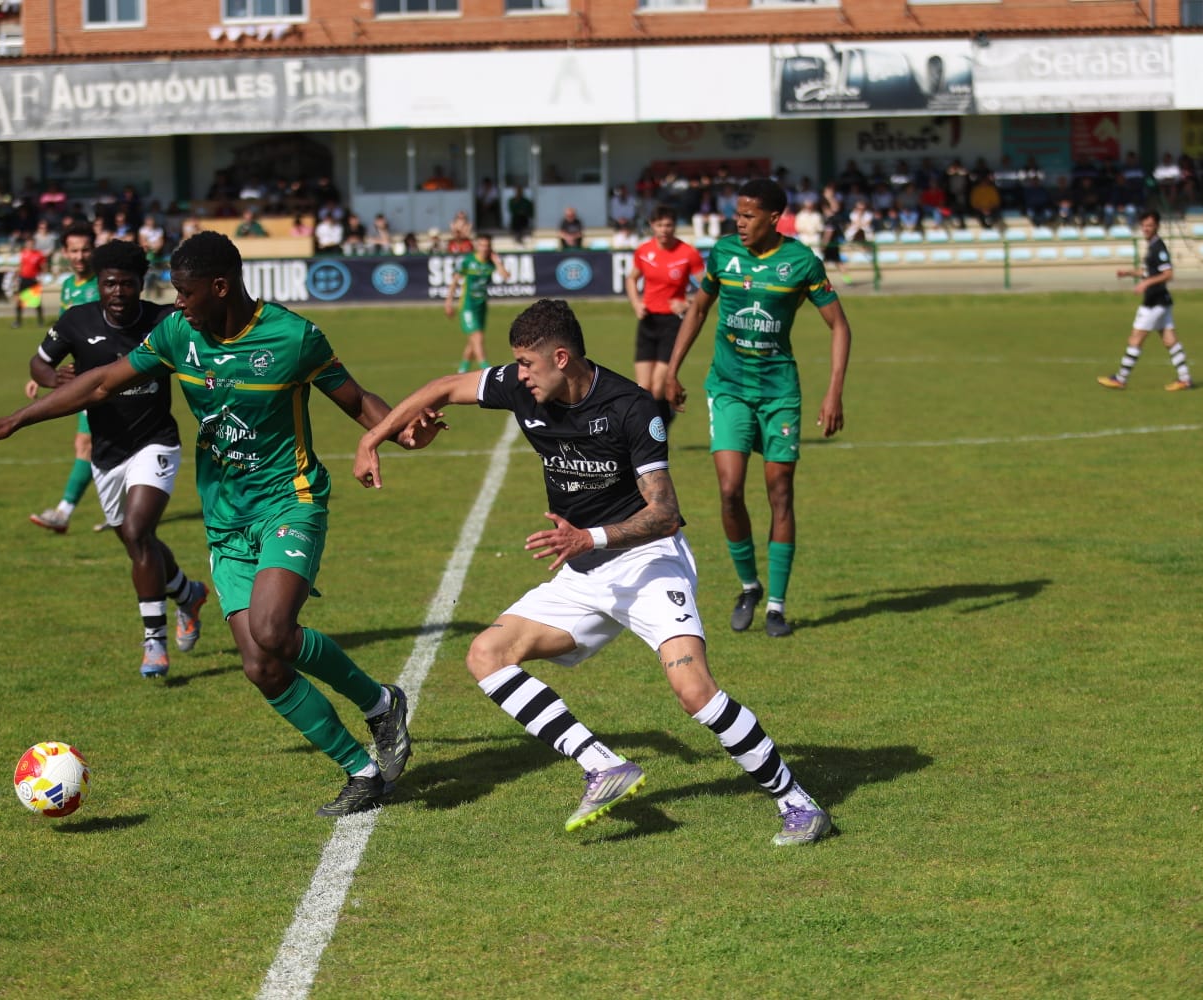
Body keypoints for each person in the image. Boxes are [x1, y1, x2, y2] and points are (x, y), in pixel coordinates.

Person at [0, 231, 425, 815]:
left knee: (273, 630)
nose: (176, 303)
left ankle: (381, 705)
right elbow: (102, 381)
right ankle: (362, 770)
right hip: (225, 519)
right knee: (260, 666)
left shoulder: (293, 337)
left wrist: (399, 431)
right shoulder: (177, 335)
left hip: (290, 500)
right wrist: (16, 419)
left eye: (184, 293)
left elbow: (358, 401)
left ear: (220, 286)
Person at [352, 299, 832, 846]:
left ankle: (798, 803)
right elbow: (441, 387)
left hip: (648, 562)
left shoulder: (631, 408)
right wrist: (373, 438)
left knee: (693, 690)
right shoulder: (519, 384)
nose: (519, 376)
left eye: (528, 365)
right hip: (582, 572)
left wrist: (591, 536)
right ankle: (601, 764)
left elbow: (664, 513)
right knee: (487, 654)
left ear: (562, 357)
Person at [664, 177, 853, 638]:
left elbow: (840, 326)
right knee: (729, 490)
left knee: (780, 492)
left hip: (779, 393)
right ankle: (748, 585)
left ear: (773, 218)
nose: (740, 223)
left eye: (748, 215)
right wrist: (672, 370)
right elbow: (698, 309)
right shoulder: (724, 253)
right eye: (738, 214)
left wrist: (834, 391)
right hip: (727, 387)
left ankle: (776, 606)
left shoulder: (801, 262)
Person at [19, 240, 211, 677]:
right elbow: (39, 362)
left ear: (141, 284)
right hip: (106, 453)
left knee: (140, 531)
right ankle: (188, 593)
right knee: (135, 542)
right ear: (99, 285)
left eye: (127, 283)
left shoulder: (164, 319)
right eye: (110, 284)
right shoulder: (76, 321)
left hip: (156, 442)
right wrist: (52, 379)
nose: (119, 292)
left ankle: (153, 643)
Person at [28, 223, 103, 534]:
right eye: (73, 250)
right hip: (82, 376)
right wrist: (43, 373)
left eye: (85, 249)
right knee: (95, 444)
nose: (80, 256)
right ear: (64, 253)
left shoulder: (103, 285)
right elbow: (63, 335)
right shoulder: (69, 287)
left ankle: (63, 512)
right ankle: (124, 511)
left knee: (86, 443)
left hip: (102, 377)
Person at [626, 205, 705, 427]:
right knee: (643, 388)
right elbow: (632, 278)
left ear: (674, 226)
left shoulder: (688, 253)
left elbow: (708, 286)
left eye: (668, 224)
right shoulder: (643, 251)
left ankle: (658, 431)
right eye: (659, 225)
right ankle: (655, 428)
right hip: (647, 321)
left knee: (658, 387)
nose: (664, 229)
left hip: (672, 324)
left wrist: (687, 303)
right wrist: (636, 303)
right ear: (652, 225)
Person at [1097, 210, 1190, 393]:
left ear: (1157, 226)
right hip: (1161, 301)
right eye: (1144, 225)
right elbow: (1149, 272)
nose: (1146, 229)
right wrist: (1129, 273)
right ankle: (1185, 379)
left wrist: (1146, 282)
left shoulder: (1159, 248)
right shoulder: (1152, 246)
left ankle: (1120, 379)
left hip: (1154, 302)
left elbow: (1168, 274)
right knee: (1169, 340)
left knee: (1136, 337)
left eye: (1150, 225)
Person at [444, 233, 507, 373]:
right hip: (468, 305)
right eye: (482, 245)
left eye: (487, 245)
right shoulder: (468, 261)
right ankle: (485, 369)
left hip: (482, 306)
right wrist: (448, 302)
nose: (485, 248)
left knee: (473, 341)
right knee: (477, 337)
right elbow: (455, 281)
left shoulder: (491, 262)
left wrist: (497, 262)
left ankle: (462, 371)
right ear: (477, 246)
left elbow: (505, 276)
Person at [13, 239, 48, 328]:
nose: (30, 246)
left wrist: (41, 277)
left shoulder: (38, 254)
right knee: (20, 301)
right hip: (23, 279)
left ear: (34, 244)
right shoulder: (23, 253)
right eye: (28, 244)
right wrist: (16, 278)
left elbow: (44, 266)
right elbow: (20, 266)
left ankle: (40, 322)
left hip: (33, 280)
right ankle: (18, 321)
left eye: (32, 244)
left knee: (36, 302)